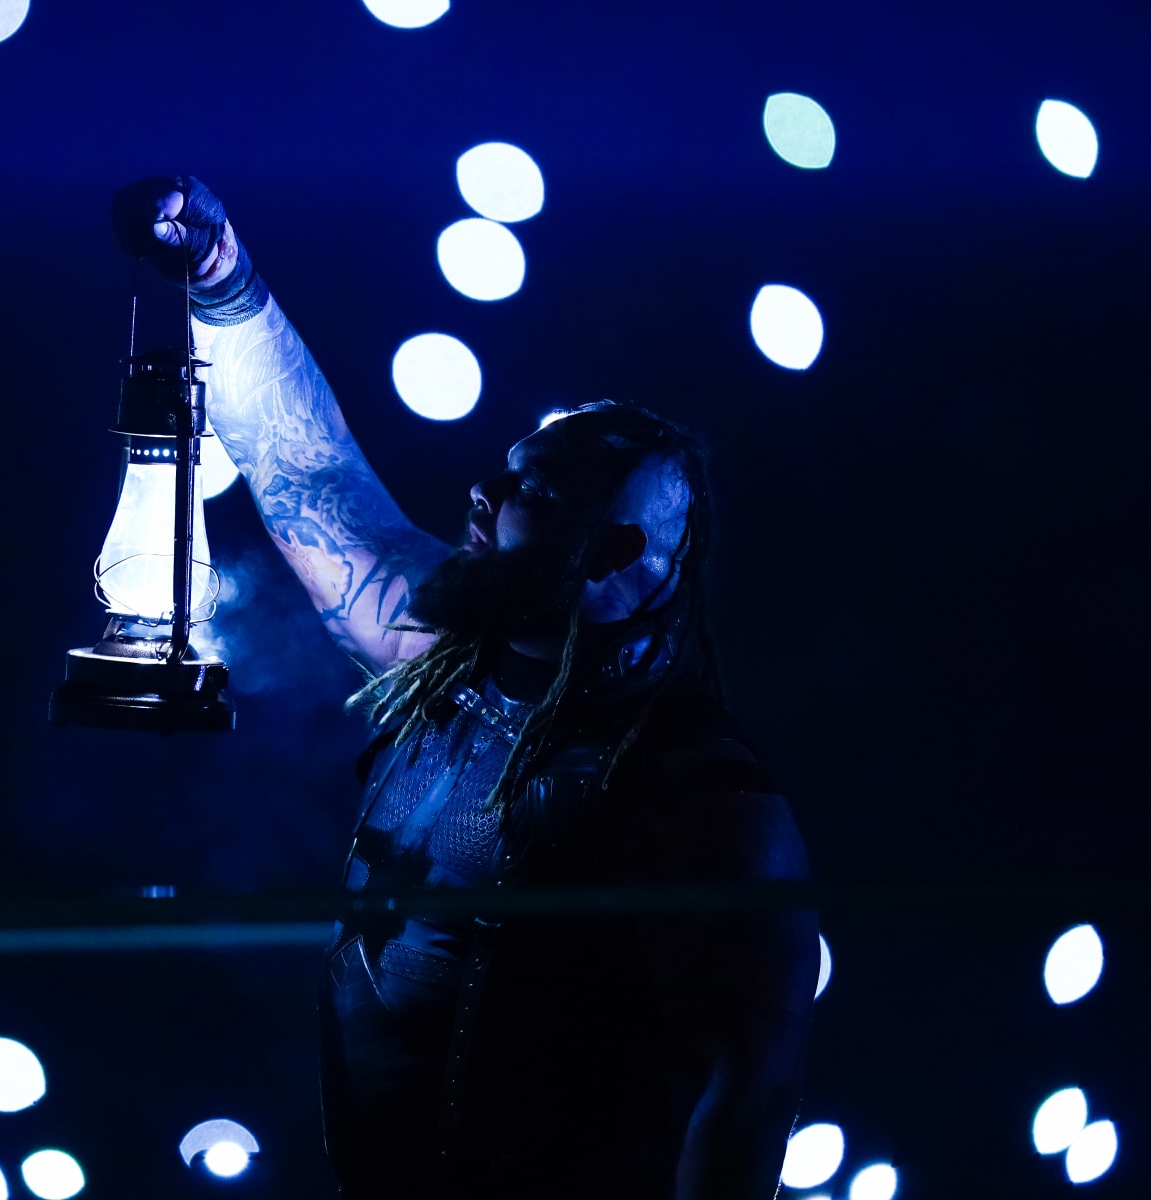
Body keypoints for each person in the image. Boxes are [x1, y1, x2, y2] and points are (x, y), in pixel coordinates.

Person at [114, 176, 819, 1200]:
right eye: (504, 470)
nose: (483, 494)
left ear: (615, 550)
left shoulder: (702, 797)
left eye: (531, 490)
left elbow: (746, 1094)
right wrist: (224, 281)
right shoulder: (446, 650)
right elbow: (309, 474)